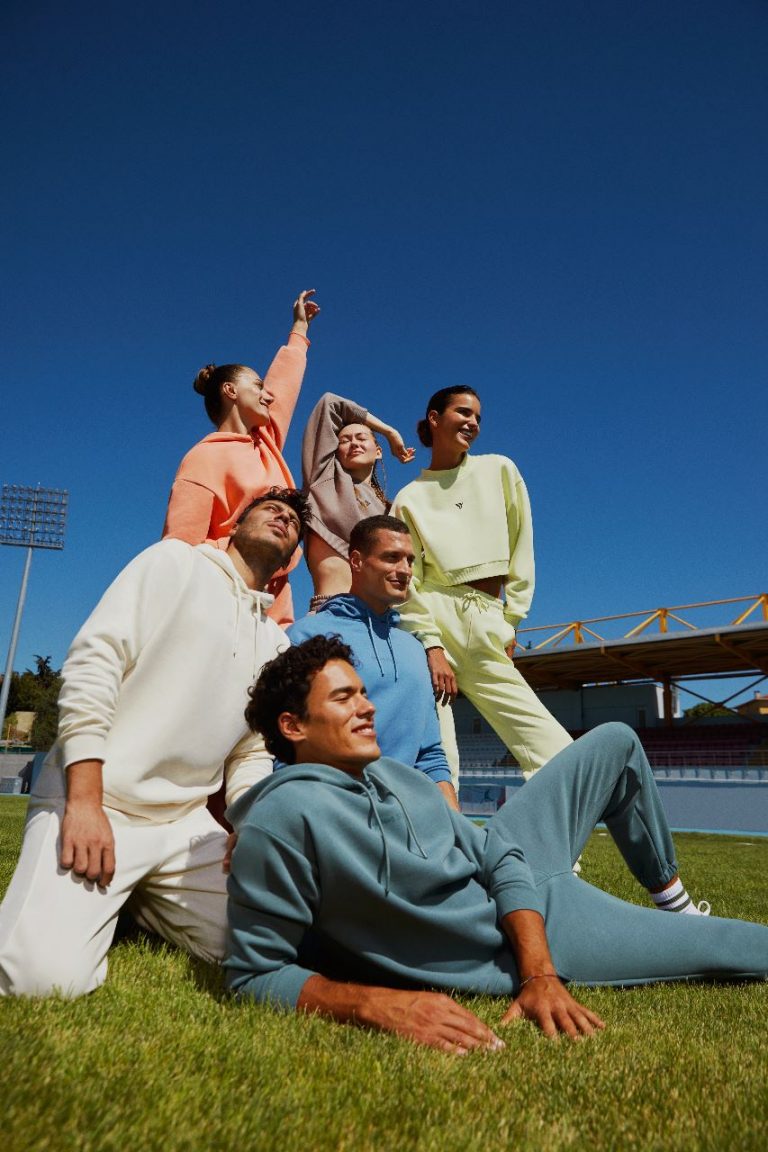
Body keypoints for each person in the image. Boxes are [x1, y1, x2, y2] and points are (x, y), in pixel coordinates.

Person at [225, 637, 768, 1054]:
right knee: (739, 946)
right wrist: (376, 1003)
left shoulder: (394, 774)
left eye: (363, 692)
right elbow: (255, 973)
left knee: (615, 741)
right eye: (344, 698)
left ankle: (674, 900)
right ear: (293, 725)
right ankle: (681, 927)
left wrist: (540, 974)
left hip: (520, 880)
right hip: (538, 926)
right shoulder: (283, 819)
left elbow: (498, 854)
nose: (367, 707)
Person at [0, 488, 309, 999]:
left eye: (294, 521)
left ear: (291, 560)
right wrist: (84, 802)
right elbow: (95, 663)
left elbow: (251, 753)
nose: (283, 517)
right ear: (234, 524)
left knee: (278, 944)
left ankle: (139, 899)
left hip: (184, 828)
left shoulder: (276, 644)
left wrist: (249, 823)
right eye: (270, 508)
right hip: (96, 801)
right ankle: (117, 895)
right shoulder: (174, 563)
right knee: (39, 979)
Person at [391, 385, 571, 780]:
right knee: (439, 758)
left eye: (477, 416)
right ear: (435, 418)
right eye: (463, 412)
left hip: (488, 619)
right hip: (433, 620)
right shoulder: (408, 498)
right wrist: (431, 644)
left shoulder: (499, 470)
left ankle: (560, 823)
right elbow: (407, 581)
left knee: (555, 751)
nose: (472, 422)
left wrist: (512, 619)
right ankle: (442, 821)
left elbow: (522, 544)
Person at [163, 289, 320, 626]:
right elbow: (180, 546)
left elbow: (285, 386)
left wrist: (299, 330)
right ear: (230, 391)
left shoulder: (265, 443)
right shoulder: (203, 458)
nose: (268, 395)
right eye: (258, 386)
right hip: (222, 596)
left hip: (275, 599)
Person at [288, 514, 458, 809]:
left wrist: (456, 824)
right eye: (391, 558)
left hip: (405, 819)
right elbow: (284, 747)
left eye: (409, 560)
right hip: (332, 811)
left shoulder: (414, 649)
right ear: (356, 561)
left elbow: (430, 755)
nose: (405, 570)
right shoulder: (306, 635)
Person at [301, 392, 415, 611]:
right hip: (332, 610)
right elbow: (330, 403)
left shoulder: (389, 510)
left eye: (361, 438)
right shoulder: (323, 480)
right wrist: (389, 432)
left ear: (378, 452)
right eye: (344, 441)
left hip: (382, 618)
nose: (353, 443)